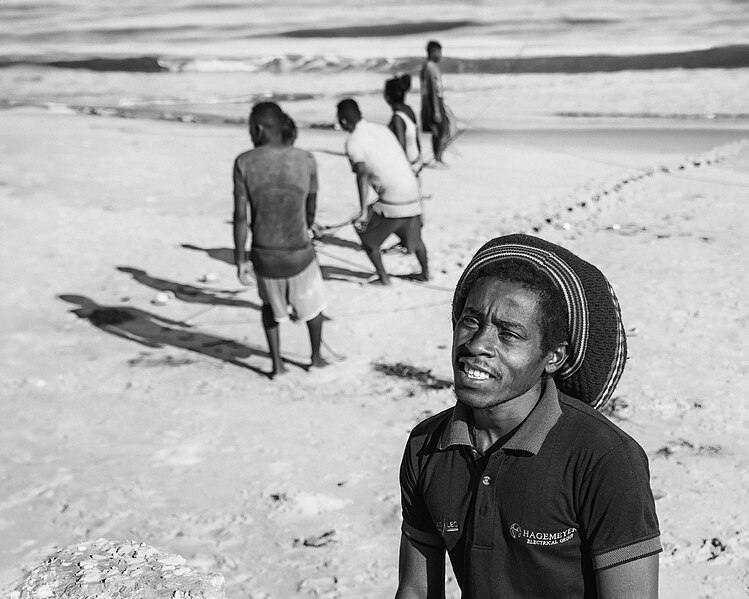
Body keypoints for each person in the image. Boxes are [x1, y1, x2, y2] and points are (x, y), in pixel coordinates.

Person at [395, 233, 661, 599]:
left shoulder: (603, 457)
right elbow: (416, 590)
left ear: (554, 357)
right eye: (471, 321)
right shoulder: (427, 446)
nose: (477, 345)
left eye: (508, 334)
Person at [233, 102, 328, 376]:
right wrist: (307, 229)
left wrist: (240, 260)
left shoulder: (244, 162)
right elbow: (310, 211)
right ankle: (315, 358)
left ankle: (277, 365)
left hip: (263, 258)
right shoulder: (306, 159)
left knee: (268, 308)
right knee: (314, 308)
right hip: (299, 255)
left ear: (259, 128)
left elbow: (240, 217)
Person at [336, 98, 429, 285]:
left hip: (392, 200)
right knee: (416, 239)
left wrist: (362, 212)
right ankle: (425, 273)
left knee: (365, 234)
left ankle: (384, 278)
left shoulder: (353, 142)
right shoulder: (382, 129)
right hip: (414, 192)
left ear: (343, 121)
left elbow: (361, 175)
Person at [384, 74, 422, 173]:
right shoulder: (409, 110)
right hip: (416, 161)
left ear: (387, 97)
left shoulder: (397, 118)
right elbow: (416, 138)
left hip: (407, 166)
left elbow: (401, 147)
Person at [420, 40, 449, 165]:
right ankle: (438, 158)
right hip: (433, 101)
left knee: (439, 131)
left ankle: (438, 157)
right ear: (432, 52)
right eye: (438, 51)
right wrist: (436, 109)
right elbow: (432, 89)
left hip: (436, 100)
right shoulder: (430, 67)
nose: (440, 54)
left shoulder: (430, 66)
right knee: (442, 131)